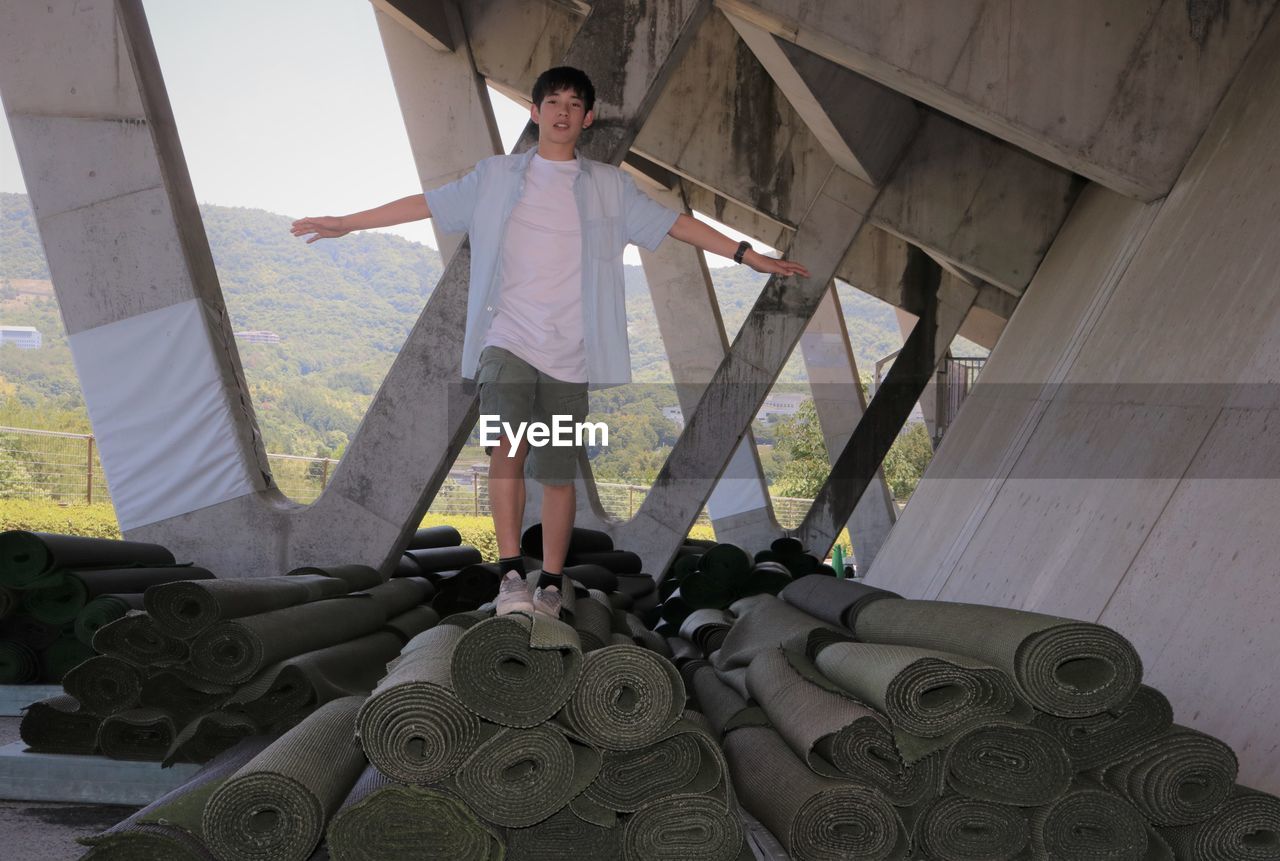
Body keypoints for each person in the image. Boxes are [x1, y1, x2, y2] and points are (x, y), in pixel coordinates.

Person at [292, 66, 809, 616]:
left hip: (570, 355)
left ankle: (551, 583)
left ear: (586, 118)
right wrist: (347, 222)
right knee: (506, 450)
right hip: (506, 338)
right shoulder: (495, 176)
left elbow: (675, 223)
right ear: (535, 112)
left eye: (574, 104)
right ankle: (511, 572)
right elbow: (428, 204)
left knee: (558, 473)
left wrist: (746, 255)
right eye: (552, 101)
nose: (562, 111)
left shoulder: (610, 186)